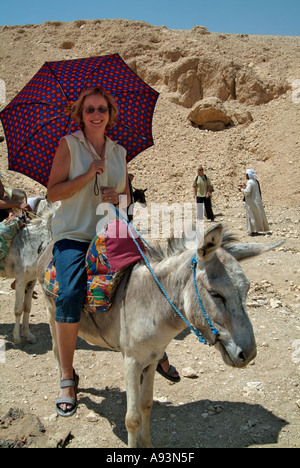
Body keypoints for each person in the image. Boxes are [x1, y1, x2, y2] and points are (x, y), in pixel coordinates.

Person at [47, 87, 178, 417]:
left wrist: (115, 198)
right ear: (80, 113)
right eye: (89, 108)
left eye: (102, 108)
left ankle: (156, 349)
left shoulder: (119, 152)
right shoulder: (68, 145)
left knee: (156, 273)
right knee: (70, 293)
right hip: (74, 234)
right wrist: (87, 175)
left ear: (110, 113)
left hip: (112, 229)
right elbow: (52, 193)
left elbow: (126, 199)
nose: (96, 113)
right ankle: (66, 376)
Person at [238, 169, 270, 236]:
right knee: (256, 216)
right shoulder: (255, 181)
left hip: (251, 203)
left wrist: (241, 189)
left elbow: (247, 192)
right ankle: (256, 230)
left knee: (251, 216)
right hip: (255, 202)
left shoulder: (250, 182)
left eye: (246, 175)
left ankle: (253, 231)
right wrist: (245, 187)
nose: (245, 176)